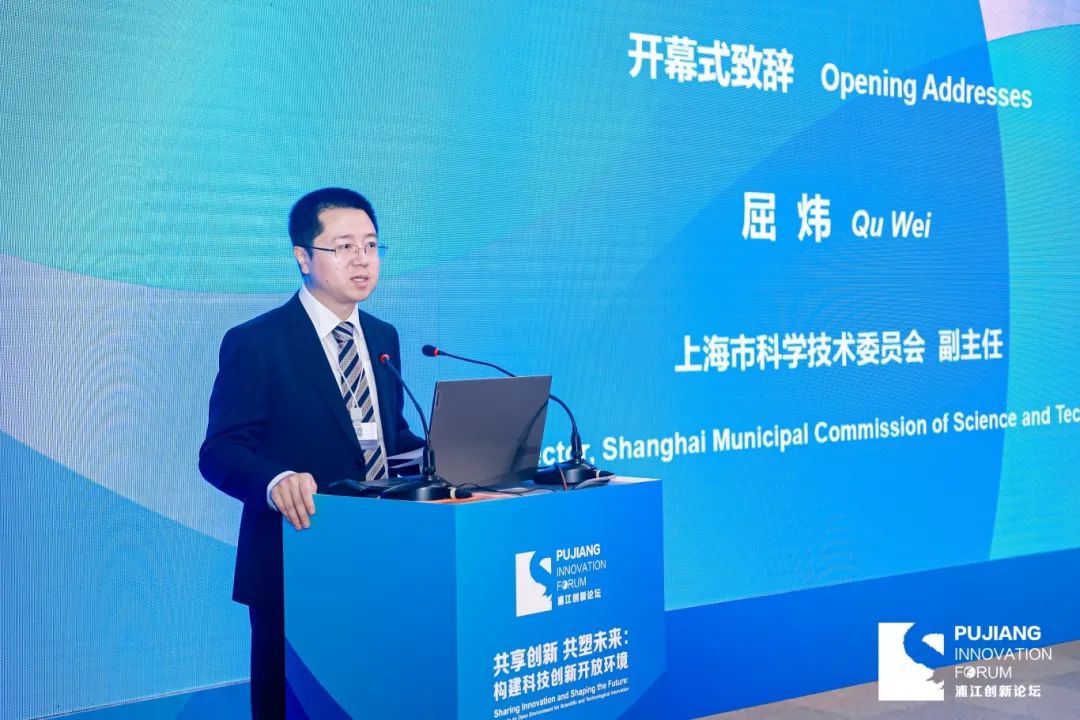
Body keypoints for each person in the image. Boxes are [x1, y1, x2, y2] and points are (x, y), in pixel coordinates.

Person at [199, 187, 424, 719]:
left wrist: (441, 456)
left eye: (371, 245)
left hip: (381, 555)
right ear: (303, 257)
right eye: (344, 246)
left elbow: (387, 438)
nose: (362, 259)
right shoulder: (258, 342)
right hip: (295, 559)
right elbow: (221, 451)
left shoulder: (382, 336)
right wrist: (275, 480)